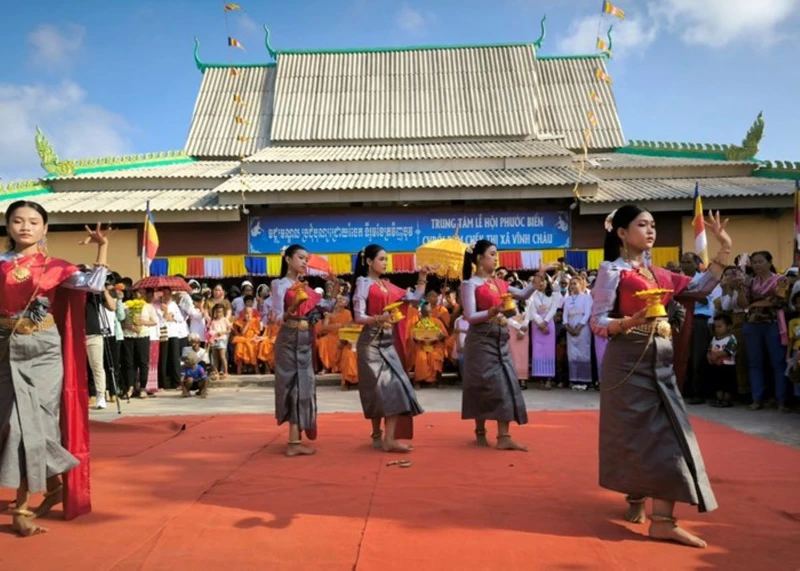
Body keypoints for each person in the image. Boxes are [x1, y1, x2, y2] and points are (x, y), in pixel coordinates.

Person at [590, 205, 731, 548]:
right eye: (642, 224)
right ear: (621, 232)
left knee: (668, 435)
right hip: (627, 362)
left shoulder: (657, 274)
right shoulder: (612, 272)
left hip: (661, 361)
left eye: (653, 225)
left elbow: (701, 286)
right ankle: (642, 500)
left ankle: (661, 518)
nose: (651, 231)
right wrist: (630, 322)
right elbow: (596, 322)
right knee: (633, 435)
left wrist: (724, 247)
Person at [0, 200, 111, 536]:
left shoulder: (56, 266)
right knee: (10, 424)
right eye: (18, 221)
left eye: (34, 221)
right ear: (8, 227)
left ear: (45, 228)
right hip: (5, 347)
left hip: (45, 349)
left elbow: (92, 284)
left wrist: (103, 248)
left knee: (30, 425)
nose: (25, 227)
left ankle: (21, 508)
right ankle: (54, 485)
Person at [461, 240, 552, 451]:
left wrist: (539, 274)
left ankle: (504, 435)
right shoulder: (470, 284)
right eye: (492, 254)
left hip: (500, 339)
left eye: (496, 254)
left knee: (506, 384)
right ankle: (480, 430)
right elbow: (470, 316)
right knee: (482, 385)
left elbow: (522, 294)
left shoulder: (500, 284)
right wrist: (494, 310)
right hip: (481, 340)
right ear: (479, 259)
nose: (496, 258)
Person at [352, 244, 428, 452]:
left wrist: (422, 277)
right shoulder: (363, 283)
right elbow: (358, 316)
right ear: (369, 261)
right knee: (374, 391)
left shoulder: (387, 285)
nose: (385, 263)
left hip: (388, 342)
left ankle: (389, 439)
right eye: (381, 259)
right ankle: (377, 435)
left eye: (386, 259)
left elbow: (414, 299)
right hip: (370, 343)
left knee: (395, 388)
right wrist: (379, 318)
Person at [272, 244, 337, 457]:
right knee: (292, 386)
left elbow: (325, 308)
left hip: (305, 339)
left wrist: (333, 289)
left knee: (306, 385)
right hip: (288, 339)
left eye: (306, 259)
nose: (304, 262)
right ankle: (293, 441)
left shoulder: (306, 288)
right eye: (300, 257)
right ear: (288, 260)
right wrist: (292, 309)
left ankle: (296, 437)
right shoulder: (279, 285)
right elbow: (275, 318)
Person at [739, 251, 790, 412]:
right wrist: (739, 288)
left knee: (778, 363)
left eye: (760, 262)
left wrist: (753, 305)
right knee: (755, 364)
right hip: (752, 326)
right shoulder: (749, 282)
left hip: (773, 324)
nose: (757, 265)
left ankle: (782, 401)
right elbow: (743, 303)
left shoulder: (781, 280)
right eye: (754, 262)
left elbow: (777, 300)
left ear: (769, 263)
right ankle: (757, 399)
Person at [526, 272, 561, 390]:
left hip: (549, 323)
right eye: (538, 281)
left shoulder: (554, 294)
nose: (541, 283)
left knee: (548, 351)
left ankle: (549, 379)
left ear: (547, 281)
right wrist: (539, 322)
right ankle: (540, 378)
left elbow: (553, 309)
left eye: (543, 280)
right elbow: (531, 310)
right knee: (538, 351)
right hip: (536, 325)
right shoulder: (532, 295)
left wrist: (545, 322)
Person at [564, 276, 593, 390]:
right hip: (570, 325)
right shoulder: (567, 299)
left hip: (582, 325)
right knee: (572, 353)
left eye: (575, 283)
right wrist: (567, 326)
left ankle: (584, 380)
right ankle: (574, 379)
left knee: (583, 352)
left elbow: (587, 313)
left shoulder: (586, 298)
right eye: (571, 284)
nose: (572, 286)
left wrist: (579, 327)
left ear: (581, 285)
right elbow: (565, 314)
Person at [707, 313, 737, 408]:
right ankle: (719, 399)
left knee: (728, 383)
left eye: (720, 326)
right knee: (717, 382)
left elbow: (728, 351)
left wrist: (716, 355)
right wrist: (709, 356)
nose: (717, 329)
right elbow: (709, 348)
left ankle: (726, 400)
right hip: (716, 365)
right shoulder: (714, 339)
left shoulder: (731, 339)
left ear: (728, 326)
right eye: (715, 327)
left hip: (728, 366)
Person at [208, 304, 231, 380]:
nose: (219, 313)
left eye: (221, 312)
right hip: (214, 339)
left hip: (222, 339)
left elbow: (229, 330)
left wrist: (223, 332)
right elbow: (210, 330)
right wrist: (212, 336)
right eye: (217, 312)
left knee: (222, 356)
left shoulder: (225, 320)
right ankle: (216, 372)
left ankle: (225, 371)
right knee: (215, 357)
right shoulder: (213, 321)